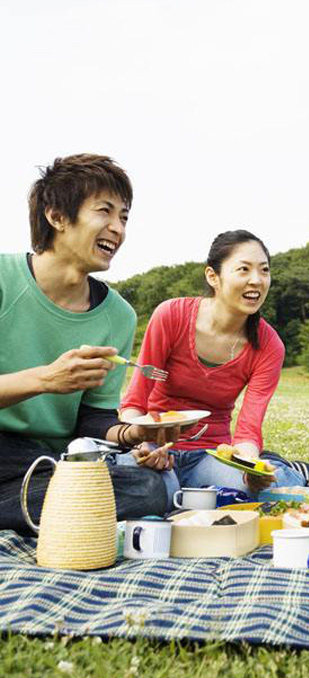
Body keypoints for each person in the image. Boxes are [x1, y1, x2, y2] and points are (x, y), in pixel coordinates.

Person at [0, 154, 171, 532]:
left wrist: (133, 434)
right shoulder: (2, 279)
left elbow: (93, 420)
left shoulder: (118, 316)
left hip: (50, 461)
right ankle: (59, 509)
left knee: (149, 489)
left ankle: (46, 507)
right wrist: (46, 379)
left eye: (124, 217)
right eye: (105, 212)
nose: (118, 228)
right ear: (57, 216)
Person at [119, 229, 309, 502]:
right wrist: (144, 444)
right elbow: (134, 403)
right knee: (150, 493)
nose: (257, 280)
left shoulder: (269, 345)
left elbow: (248, 430)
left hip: (211, 455)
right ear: (212, 276)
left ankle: (292, 472)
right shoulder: (171, 316)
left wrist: (251, 466)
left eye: (264, 271)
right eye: (243, 269)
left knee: (266, 490)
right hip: (155, 447)